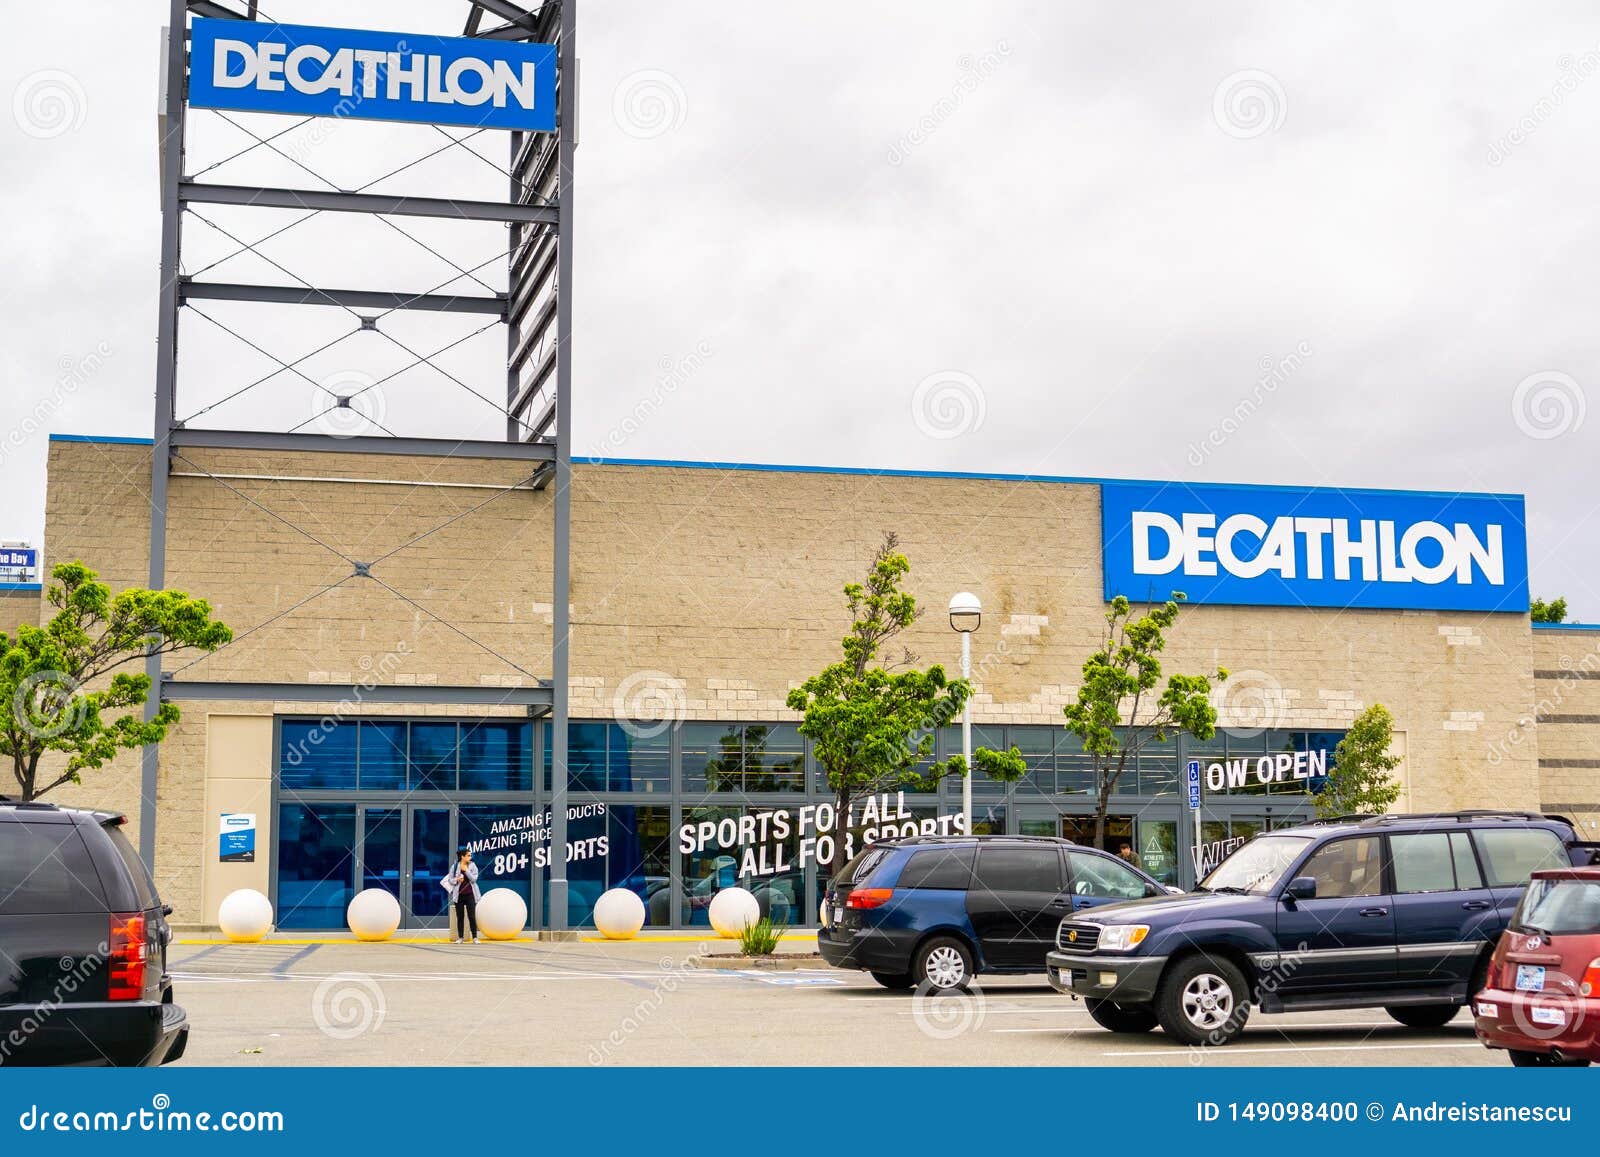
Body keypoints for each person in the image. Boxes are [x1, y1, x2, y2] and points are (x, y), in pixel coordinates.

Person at [444, 845, 481, 944]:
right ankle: (460, 937)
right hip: (459, 895)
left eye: (470, 855)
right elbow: (450, 880)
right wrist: (457, 879)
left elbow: (474, 879)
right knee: (460, 917)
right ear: (462, 856)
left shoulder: (473, 866)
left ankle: (475, 937)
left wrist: (466, 871)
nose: (470, 857)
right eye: (468, 855)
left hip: (470, 894)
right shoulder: (455, 866)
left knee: (472, 916)